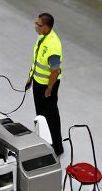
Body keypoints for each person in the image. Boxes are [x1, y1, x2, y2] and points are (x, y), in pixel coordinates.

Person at [26, 12, 64, 156]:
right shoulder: (42, 38)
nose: (35, 26)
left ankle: (56, 147)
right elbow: (37, 61)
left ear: (46, 27)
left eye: (38, 24)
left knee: (51, 117)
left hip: (47, 87)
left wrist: (49, 88)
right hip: (38, 83)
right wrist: (30, 77)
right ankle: (44, 142)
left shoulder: (53, 45)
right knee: (41, 116)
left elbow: (55, 70)